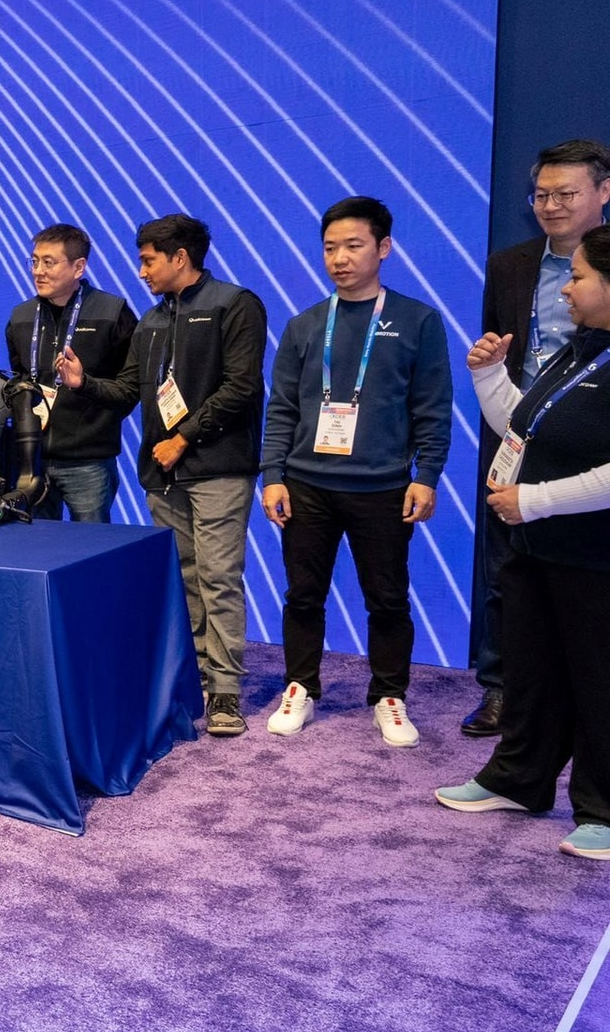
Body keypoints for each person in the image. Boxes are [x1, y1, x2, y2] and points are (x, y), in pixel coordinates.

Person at [434, 224, 610, 860]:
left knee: (599, 681)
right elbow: (523, 425)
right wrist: (488, 376)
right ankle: (518, 778)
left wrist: (533, 500)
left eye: (579, 277)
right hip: (536, 551)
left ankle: (603, 808)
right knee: (532, 672)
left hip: (595, 558)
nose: (566, 288)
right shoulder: (581, 349)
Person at [59, 214, 265, 736]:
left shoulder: (235, 304)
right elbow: (129, 390)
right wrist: (84, 383)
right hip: (163, 474)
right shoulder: (151, 320)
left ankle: (226, 690)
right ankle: (194, 677)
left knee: (218, 578)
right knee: (184, 579)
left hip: (217, 469)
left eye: (149, 260)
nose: (141, 270)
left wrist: (184, 438)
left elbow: (241, 387)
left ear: (180, 257)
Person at [257, 197, 453, 746]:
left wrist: (427, 475)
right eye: (329, 248)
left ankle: (389, 695)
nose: (339, 259)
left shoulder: (417, 321)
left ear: (383, 248)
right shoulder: (304, 325)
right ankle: (301, 686)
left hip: (384, 487)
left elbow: (433, 407)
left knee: (387, 598)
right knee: (303, 595)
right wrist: (272, 475)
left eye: (353, 246)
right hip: (306, 485)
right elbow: (282, 408)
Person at [463, 138, 610, 737]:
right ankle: (504, 690)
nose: (551, 206)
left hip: (591, 440)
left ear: (603, 192)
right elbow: (497, 347)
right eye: (541, 195)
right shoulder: (510, 265)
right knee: (508, 575)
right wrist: (487, 369)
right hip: (517, 433)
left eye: (565, 194)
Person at [2, 223, 137, 522]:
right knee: (37, 542)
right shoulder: (21, 317)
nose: (38, 271)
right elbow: (21, 378)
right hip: (32, 458)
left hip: (88, 462)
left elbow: (129, 390)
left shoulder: (112, 312)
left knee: (92, 545)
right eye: (34, 261)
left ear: (78, 267)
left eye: (49, 263)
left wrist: (86, 390)